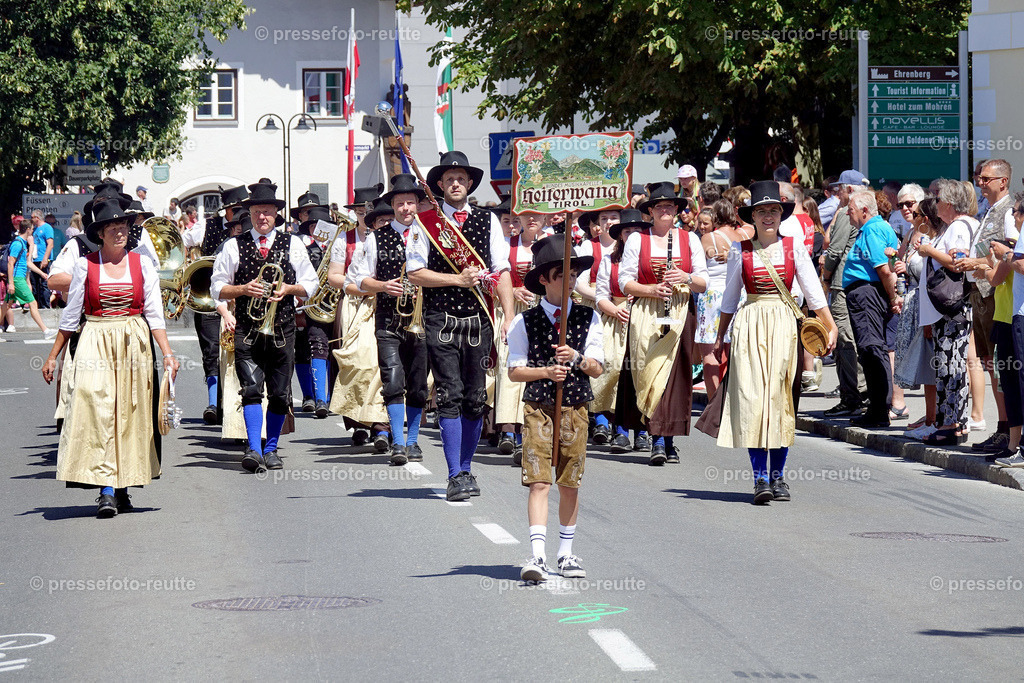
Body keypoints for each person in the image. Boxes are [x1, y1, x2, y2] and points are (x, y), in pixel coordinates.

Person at [40, 196, 178, 518]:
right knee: (97, 406)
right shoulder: (84, 265)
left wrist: (168, 354)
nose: (120, 232)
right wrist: (51, 357)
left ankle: (122, 488)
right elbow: (70, 317)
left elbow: (155, 315)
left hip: (134, 343)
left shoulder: (143, 265)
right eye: (113, 227)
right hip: (95, 341)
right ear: (100, 233)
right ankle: (105, 489)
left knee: (129, 414)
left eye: (124, 226)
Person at [700, 181, 838, 504]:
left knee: (780, 401)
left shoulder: (794, 248)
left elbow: (815, 294)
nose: (768, 217)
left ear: (780, 214)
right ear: (752, 216)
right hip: (749, 328)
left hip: (785, 328)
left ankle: (778, 476)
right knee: (752, 401)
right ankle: (760, 477)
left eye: (773, 210)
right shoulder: (740, 250)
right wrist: (720, 337)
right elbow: (730, 299)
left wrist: (830, 328)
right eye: (761, 211)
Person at [406, 151, 514, 501]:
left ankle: (467, 468)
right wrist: (457, 279)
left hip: (480, 318)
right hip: (441, 318)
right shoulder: (425, 223)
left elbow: (501, 271)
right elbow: (415, 272)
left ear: (469, 184)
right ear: (439, 184)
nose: (455, 183)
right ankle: (455, 474)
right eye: (449, 178)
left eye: (461, 178)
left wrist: (509, 316)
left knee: (475, 396)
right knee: (449, 393)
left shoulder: (488, 221)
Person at [507, 235, 603, 582]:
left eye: (575, 273)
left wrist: (577, 359)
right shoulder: (524, 321)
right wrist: (546, 371)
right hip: (538, 406)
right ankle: (536, 556)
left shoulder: (588, 318)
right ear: (545, 279)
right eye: (564, 273)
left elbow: (598, 367)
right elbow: (514, 370)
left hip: (575, 405)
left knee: (570, 481)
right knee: (539, 481)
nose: (572, 279)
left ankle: (565, 553)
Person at [210, 181, 318, 473]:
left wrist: (288, 288)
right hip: (247, 328)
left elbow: (311, 284)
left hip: (282, 329)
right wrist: (243, 289)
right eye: (257, 211)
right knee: (251, 389)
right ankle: (255, 449)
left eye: (267, 212)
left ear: (275, 214)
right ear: (250, 213)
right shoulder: (234, 245)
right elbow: (217, 287)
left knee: (281, 393)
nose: (262, 217)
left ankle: (271, 447)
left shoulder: (293, 243)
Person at [619, 181, 708, 465]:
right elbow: (624, 282)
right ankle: (655, 435)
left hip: (680, 311)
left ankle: (665, 441)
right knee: (649, 372)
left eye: (670, 206)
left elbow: (704, 282)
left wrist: (685, 277)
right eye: (659, 206)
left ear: (677, 210)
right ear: (651, 211)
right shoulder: (637, 240)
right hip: (647, 312)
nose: (665, 210)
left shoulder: (689, 239)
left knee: (674, 377)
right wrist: (651, 290)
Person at [345, 174, 430, 465]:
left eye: (410, 203)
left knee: (418, 382)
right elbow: (359, 280)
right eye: (400, 203)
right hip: (389, 317)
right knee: (392, 378)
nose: (406, 208)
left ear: (417, 204)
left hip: (424, 317)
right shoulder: (375, 238)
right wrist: (383, 285)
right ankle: (397, 440)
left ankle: (414, 440)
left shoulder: (430, 234)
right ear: (392, 206)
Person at [916, 179, 980, 446]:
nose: (936, 203)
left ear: (950, 204)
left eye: (939, 199)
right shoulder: (964, 225)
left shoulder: (958, 226)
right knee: (950, 363)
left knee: (949, 364)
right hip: (954, 307)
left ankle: (950, 425)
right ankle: (953, 423)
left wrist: (928, 249)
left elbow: (957, 264)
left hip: (952, 308)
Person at [958, 160, 1016, 451]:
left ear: (1003, 181)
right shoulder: (991, 209)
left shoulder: (1009, 211)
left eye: (985, 179)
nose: (980, 183)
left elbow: (1010, 256)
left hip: (996, 294)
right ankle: (1003, 426)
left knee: (1000, 364)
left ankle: (1007, 428)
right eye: (978, 178)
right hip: (981, 292)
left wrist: (976, 262)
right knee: (990, 362)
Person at [331, 196, 392, 448]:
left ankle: (382, 426)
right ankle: (359, 420)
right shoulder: (356, 243)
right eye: (382, 220)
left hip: (394, 309)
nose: (387, 224)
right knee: (360, 362)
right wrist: (370, 288)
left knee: (386, 366)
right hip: (361, 306)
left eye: (390, 219)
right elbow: (342, 279)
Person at [842, 191, 901, 427]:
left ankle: (879, 411)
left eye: (851, 209)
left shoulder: (872, 229)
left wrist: (893, 297)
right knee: (872, 348)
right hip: (868, 293)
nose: (847, 212)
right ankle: (877, 409)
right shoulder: (875, 228)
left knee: (871, 348)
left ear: (865, 211)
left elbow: (884, 269)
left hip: (866, 294)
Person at [594, 209, 650, 452]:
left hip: (645, 319)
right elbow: (600, 297)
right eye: (628, 231)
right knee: (615, 372)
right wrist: (615, 310)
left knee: (641, 375)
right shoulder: (610, 260)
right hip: (616, 320)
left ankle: (642, 431)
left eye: (638, 231)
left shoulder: (649, 261)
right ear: (621, 236)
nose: (633, 235)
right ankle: (618, 430)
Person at [494, 211, 542, 461]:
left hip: (541, 314)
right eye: (526, 216)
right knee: (509, 367)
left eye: (537, 216)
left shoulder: (553, 244)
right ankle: (507, 431)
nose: (532, 220)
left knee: (534, 371)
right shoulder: (505, 245)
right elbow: (490, 280)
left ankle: (528, 433)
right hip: (510, 313)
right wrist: (513, 290)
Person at [821, 171, 870, 416]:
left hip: (841, 283)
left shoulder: (844, 213)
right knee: (855, 338)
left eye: (839, 188)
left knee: (843, 340)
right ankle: (860, 391)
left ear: (849, 189)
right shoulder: (866, 211)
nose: (836, 193)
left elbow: (834, 250)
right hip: (857, 283)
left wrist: (825, 278)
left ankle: (853, 395)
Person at [894, 197, 940, 440]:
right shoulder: (917, 236)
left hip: (927, 306)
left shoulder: (933, 241)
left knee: (930, 366)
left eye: (917, 210)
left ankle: (934, 419)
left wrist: (928, 319)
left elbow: (929, 278)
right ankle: (930, 417)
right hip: (915, 304)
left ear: (926, 217)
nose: (909, 211)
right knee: (924, 365)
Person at [696, 200, 751, 400]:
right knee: (736, 350)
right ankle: (734, 399)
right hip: (739, 294)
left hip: (713, 295)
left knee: (709, 352)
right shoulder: (746, 234)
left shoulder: (709, 238)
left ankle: (714, 403)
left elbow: (698, 265)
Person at [294, 205, 336, 419]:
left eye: (322, 225)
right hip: (308, 305)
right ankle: (315, 397)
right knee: (310, 348)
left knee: (334, 349)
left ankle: (329, 397)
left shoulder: (338, 247)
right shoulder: (302, 247)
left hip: (334, 305)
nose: (318, 229)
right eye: (313, 226)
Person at [992, 191, 1024, 467]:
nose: (1012, 216)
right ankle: (1015, 445)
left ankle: (1020, 447)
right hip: (1009, 315)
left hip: (1018, 315)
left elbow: (1020, 265)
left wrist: (1006, 254)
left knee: (1019, 382)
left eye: (1015, 212)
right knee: (1012, 382)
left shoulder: (1018, 239)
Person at [1, 219, 53, 337]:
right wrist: (12, 283)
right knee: (33, 303)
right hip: (17, 279)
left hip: (17, 278)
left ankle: (46, 331)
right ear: (28, 230)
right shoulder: (18, 244)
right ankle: (46, 331)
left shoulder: (23, 244)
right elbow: (11, 263)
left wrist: (41, 273)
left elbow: (28, 263)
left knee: (6, 306)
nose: (33, 231)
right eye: (32, 229)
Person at [29, 209, 54, 308]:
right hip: (34, 259)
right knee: (34, 284)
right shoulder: (34, 229)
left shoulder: (47, 228)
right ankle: (37, 305)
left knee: (44, 283)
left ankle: (45, 306)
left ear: (37, 218)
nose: (31, 219)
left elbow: (50, 244)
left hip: (43, 259)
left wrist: (45, 258)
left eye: (32, 217)